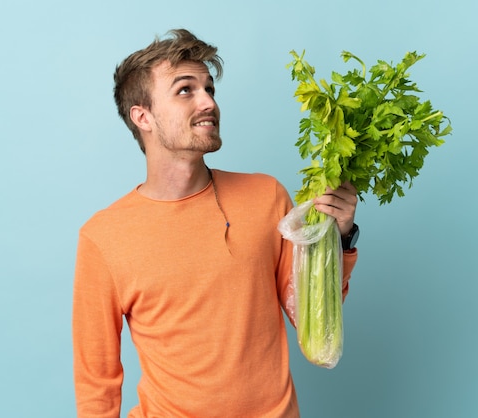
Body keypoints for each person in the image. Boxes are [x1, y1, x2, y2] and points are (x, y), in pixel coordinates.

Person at [72, 28, 359, 418]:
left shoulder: (266, 196)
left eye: (210, 89)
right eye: (185, 90)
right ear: (143, 117)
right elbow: (96, 381)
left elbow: (310, 316)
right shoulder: (103, 237)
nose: (208, 102)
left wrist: (338, 237)